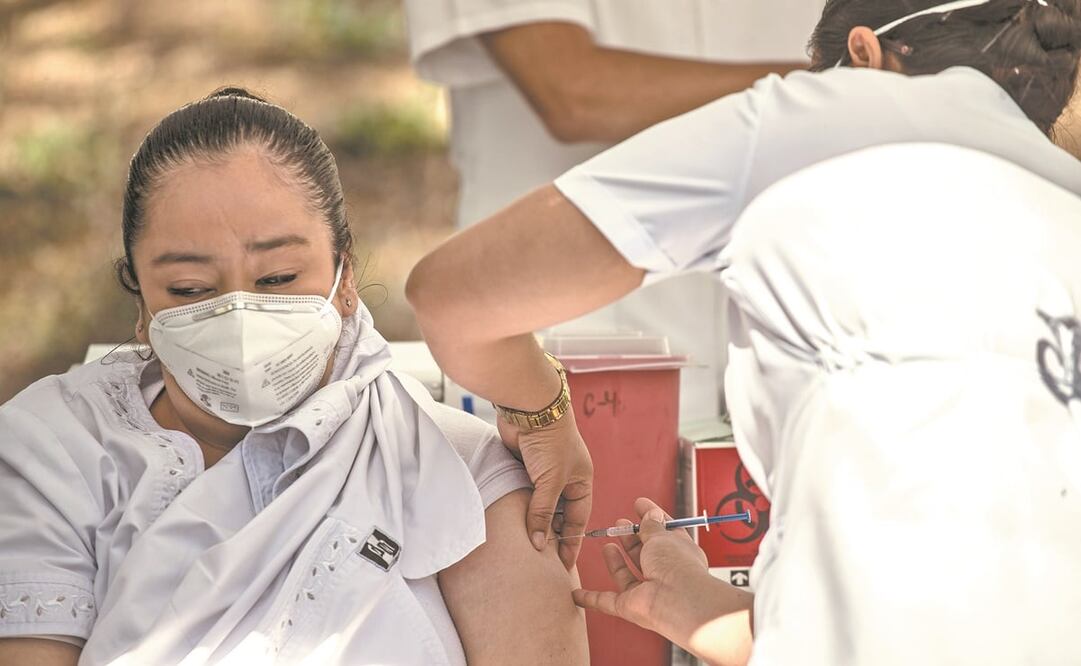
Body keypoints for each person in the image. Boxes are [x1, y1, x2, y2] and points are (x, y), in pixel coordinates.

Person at [406, 0, 1081, 662]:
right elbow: (975, 578)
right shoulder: (1062, 207)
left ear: (864, 54)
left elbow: (452, 298)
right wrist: (701, 608)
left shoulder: (825, 113)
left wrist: (544, 411)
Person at [0, 89, 588, 665]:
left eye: (278, 278)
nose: (238, 316)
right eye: (190, 290)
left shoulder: (451, 472)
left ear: (345, 275)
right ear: (142, 303)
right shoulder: (55, 451)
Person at [403, 0, 827, 568]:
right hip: (571, 358)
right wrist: (848, 93)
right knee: (581, 614)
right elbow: (573, 89)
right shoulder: (851, 89)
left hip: (800, 343)